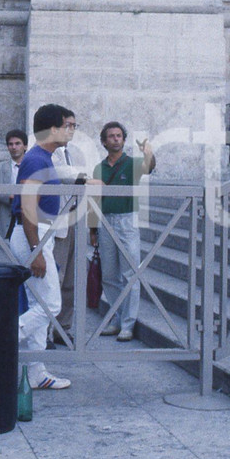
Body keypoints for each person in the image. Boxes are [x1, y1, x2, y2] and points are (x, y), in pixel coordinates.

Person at [9, 104, 81, 389]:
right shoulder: (37, 159)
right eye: (69, 125)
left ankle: (36, 372)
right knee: (50, 304)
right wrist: (36, 250)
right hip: (32, 235)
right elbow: (28, 208)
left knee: (40, 302)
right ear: (53, 129)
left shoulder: (43, 157)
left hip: (37, 235)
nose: (72, 131)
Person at [89, 122, 156, 342]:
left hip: (127, 221)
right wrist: (93, 228)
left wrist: (148, 152)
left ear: (124, 140)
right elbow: (94, 199)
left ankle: (128, 323)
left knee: (130, 274)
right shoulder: (100, 167)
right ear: (104, 141)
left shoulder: (132, 164)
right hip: (106, 221)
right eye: (112, 136)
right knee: (109, 275)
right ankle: (116, 318)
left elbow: (149, 167)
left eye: (119, 136)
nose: (116, 139)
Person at [50, 115, 89, 346]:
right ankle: (47, 329)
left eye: (75, 125)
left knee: (71, 279)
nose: (72, 130)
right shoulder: (50, 153)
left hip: (76, 217)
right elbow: (63, 173)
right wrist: (87, 178)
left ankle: (63, 328)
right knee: (56, 275)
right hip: (57, 220)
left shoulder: (73, 152)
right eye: (68, 126)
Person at [0, 129, 27, 261]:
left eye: (17, 143)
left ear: (25, 146)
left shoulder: (33, 167)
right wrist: (8, 196)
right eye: (10, 144)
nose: (13, 147)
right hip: (5, 225)